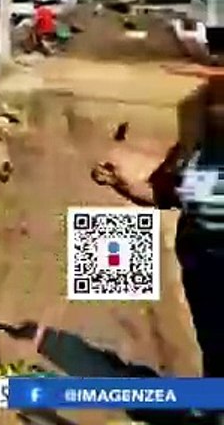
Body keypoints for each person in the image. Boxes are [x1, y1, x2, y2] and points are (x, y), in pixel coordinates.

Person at [91, 62, 224, 378]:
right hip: (201, 266)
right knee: (214, 345)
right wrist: (120, 182)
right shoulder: (191, 154)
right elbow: (161, 196)